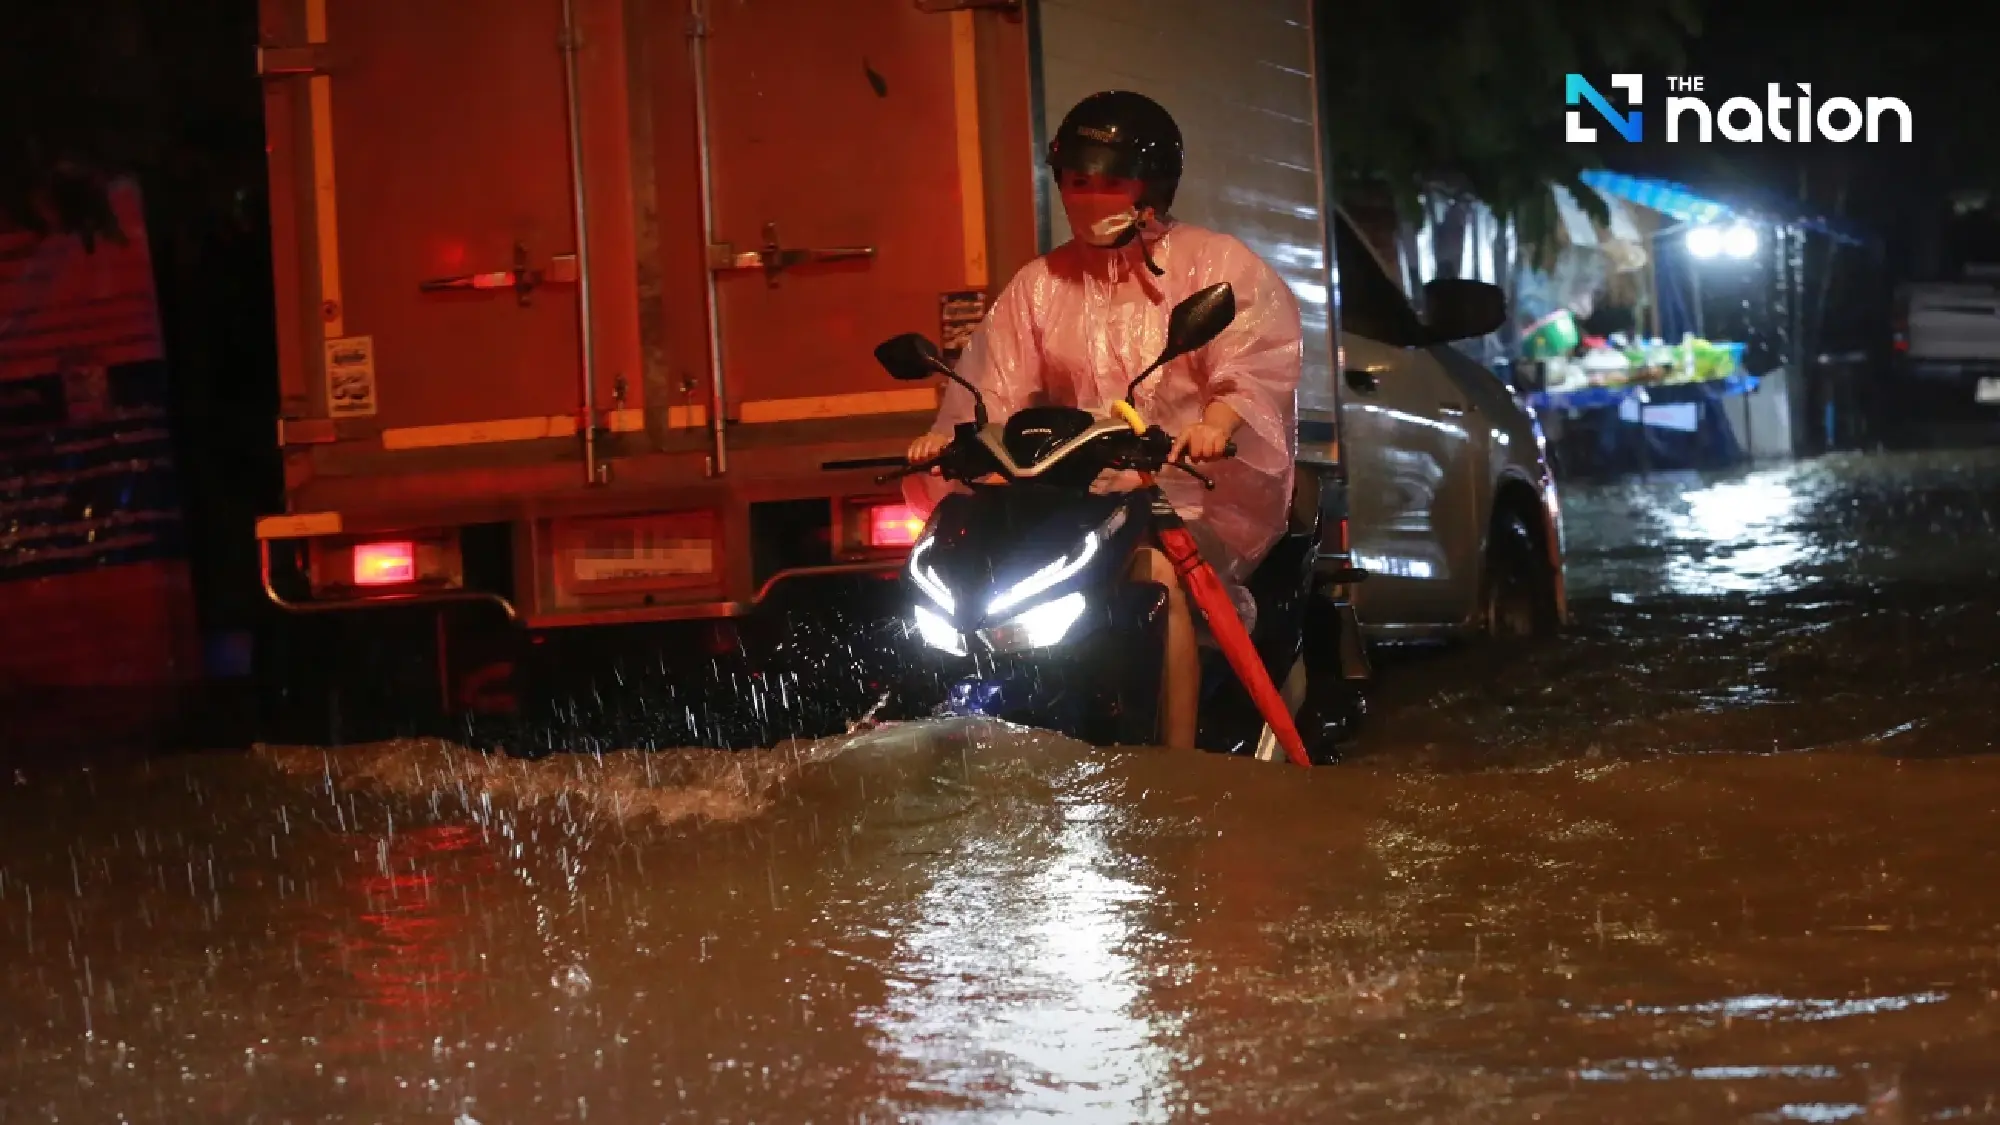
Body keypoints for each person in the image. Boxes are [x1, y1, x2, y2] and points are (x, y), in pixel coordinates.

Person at [902, 90, 1303, 751]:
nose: (1090, 197)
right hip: (1069, 499)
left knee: (1159, 580)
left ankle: (1175, 765)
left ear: (1152, 187)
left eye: (1110, 182)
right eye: (1078, 182)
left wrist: (1218, 424)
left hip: (1184, 494)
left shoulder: (1216, 264)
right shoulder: (1039, 285)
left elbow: (1253, 359)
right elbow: (993, 385)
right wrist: (951, 439)